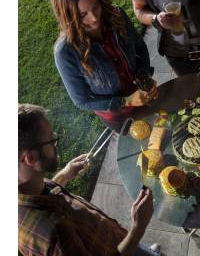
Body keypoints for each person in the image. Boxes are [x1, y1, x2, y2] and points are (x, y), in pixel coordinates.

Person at [18, 103, 161, 256]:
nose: (56, 143)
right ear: (31, 158)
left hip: (110, 239)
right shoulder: (55, 235)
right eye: (51, 140)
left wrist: (64, 175)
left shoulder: (25, 184)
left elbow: (46, 198)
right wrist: (138, 227)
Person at [52, 0, 158, 132]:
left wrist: (144, 78)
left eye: (96, 7)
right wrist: (126, 101)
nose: (94, 18)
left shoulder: (117, 16)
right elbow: (82, 100)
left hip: (143, 96)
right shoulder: (65, 52)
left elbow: (140, 47)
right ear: (67, 16)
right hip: (118, 116)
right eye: (82, 15)